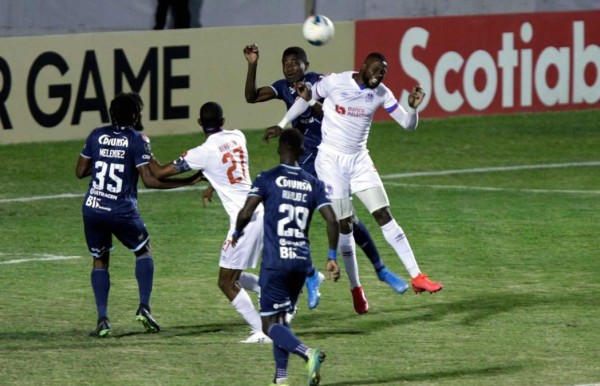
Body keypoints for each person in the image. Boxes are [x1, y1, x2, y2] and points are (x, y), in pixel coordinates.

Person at [267, 52, 443, 310]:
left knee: (384, 214)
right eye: (376, 70)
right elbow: (306, 98)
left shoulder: (382, 93)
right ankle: (356, 288)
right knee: (345, 226)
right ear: (363, 67)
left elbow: (407, 124)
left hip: (359, 161)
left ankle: (417, 276)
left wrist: (414, 109)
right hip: (331, 162)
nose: (379, 76)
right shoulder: (336, 82)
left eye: (383, 72)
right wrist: (282, 124)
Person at [244, 44, 409, 315]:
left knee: (341, 221)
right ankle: (318, 276)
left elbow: (330, 114)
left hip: (326, 155)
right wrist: (252, 63)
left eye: (296, 63)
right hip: (305, 157)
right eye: (286, 63)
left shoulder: (319, 83)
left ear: (306, 65)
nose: (290, 67)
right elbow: (251, 96)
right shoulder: (283, 87)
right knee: (308, 217)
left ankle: (374, 271)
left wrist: (311, 102)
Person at [75, 93, 204, 337]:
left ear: (112, 114)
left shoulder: (96, 135)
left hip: (92, 208)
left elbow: (80, 171)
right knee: (143, 250)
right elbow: (151, 180)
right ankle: (144, 307)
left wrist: (104, 156)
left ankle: (102, 320)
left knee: (100, 259)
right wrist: (188, 181)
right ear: (135, 116)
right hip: (121, 210)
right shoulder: (137, 139)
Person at [148, 101, 270, 344]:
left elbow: (160, 172)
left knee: (226, 281)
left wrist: (144, 150)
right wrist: (210, 183)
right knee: (233, 272)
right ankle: (270, 291)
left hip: (243, 220)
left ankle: (264, 331)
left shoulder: (201, 153)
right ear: (223, 121)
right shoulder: (238, 136)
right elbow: (225, 165)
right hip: (259, 211)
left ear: (200, 123)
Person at [232, 128, 340, 386]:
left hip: (276, 262)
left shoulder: (267, 178)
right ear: (302, 151)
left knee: (269, 325)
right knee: (281, 322)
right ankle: (280, 379)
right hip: (301, 264)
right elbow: (332, 220)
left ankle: (308, 353)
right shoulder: (313, 184)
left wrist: (237, 232)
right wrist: (331, 256)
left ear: (280, 148)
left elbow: (246, 211)